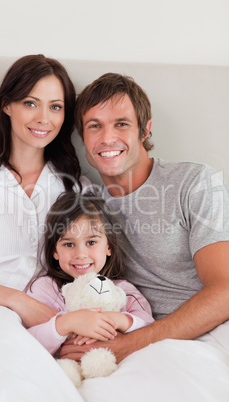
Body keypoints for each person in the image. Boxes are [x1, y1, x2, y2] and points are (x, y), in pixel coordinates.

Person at [59, 72, 229, 364]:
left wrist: (128, 345)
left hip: (214, 329)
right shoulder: (88, 212)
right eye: (94, 126)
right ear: (83, 137)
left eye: (121, 124)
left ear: (144, 130)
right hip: (145, 340)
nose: (107, 138)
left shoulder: (194, 182)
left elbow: (225, 290)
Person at [0, 54, 89, 328]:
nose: (44, 118)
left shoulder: (77, 187)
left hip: (54, 318)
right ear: (7, 105)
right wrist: (17, 301)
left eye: (56, 107)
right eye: (31, 103)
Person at [26, 191, 154, 355]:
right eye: (69, 244)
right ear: (54, 252)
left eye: (91, 242)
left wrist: (118, 320)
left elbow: (149, 326)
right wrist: (66, 323)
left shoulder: (123, 290)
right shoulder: (46, 288)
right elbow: (26, 339)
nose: (80, 254)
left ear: (109, 247)